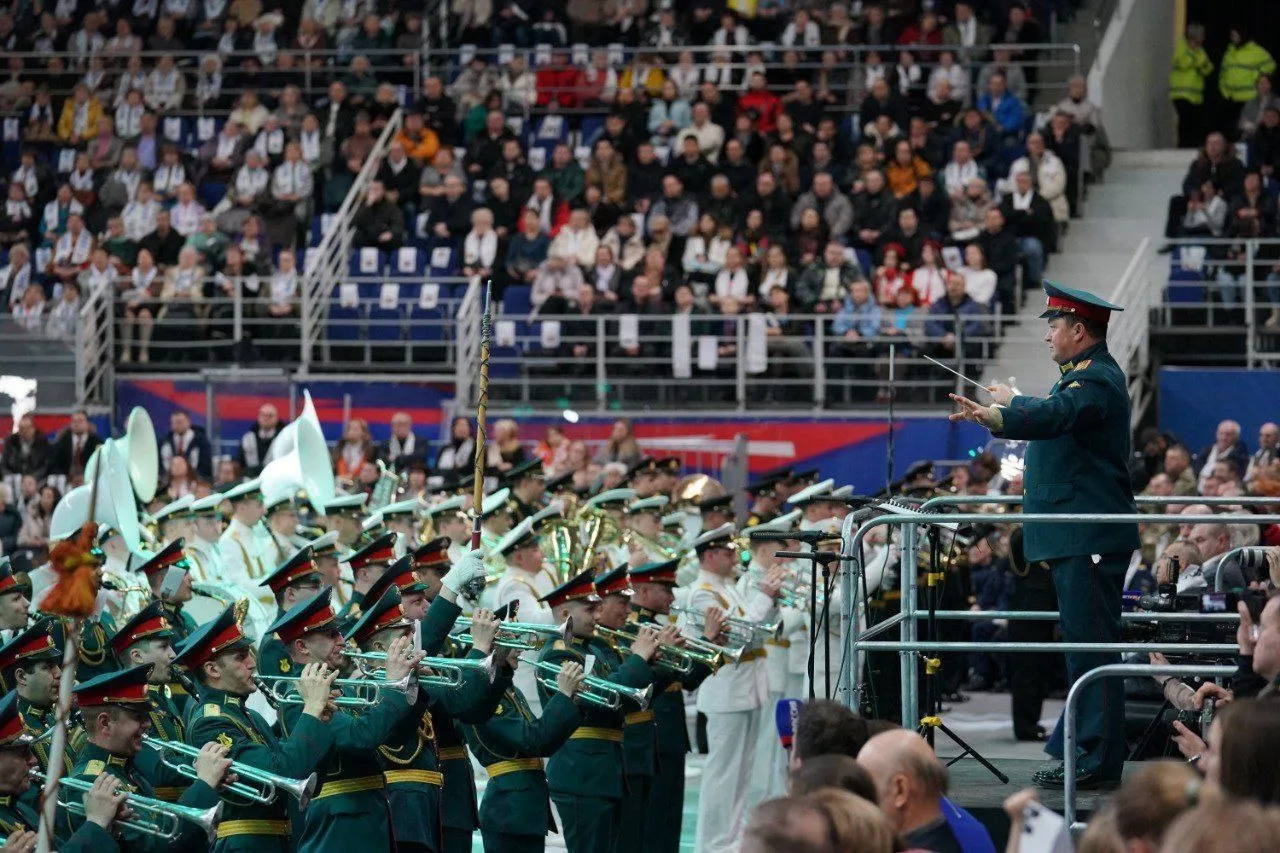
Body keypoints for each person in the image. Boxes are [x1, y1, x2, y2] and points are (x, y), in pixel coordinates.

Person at [948, 281, 1140, 790]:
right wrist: (1013, 403)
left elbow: (1058, 416)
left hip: (1087, 537)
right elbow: (1058, 411)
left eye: (1054, 325)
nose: (1048, 335)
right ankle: (1085, 750)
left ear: (1079, 330)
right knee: (1084, 647)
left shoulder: (1095, 380)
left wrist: (1003, 414)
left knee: (1092, 649)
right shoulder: (1083, 377)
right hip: (1076, 537)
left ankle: (1095, 760)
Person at [177, 604, 337, 853]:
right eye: (241, 656)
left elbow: (304, 773)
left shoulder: (248, 715)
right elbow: (281, 772)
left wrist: (320, 723)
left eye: (249, 653)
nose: (252, 662)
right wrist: (312, 709)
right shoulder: (210, 722)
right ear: (212, 669)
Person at [534, 569, 661, 853]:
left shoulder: (596, 650)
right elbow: (601, 696)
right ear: (565, 611)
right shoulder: (559, 653)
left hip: (605, 771)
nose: (597, 615)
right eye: (590, 609)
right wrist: (638, 658)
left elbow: (628, 698)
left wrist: (650, 664)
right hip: (582, 773)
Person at [686, 525, 783, 853]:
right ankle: (712, 844)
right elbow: (737, 635)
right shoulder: (702, 593)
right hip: (726, 689)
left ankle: (732, 838)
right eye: (728, 552)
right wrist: (764, 598)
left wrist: (772, 603)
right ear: (710, 556)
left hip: (748, 686)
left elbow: (757, 634)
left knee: (743, 773)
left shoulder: (728, 586)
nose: (736, 557)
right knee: (723, 776)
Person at [60, 664, 230, 850]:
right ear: (105, 722)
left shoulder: (127, 769)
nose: (148, 724)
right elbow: (158, 846)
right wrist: (204, 784)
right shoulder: (91, 782)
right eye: (138, 716)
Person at [629, 558, 721, 853]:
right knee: (654, 822)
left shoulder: (658, 628)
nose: (672, 597)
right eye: (664, 590)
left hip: (670, 735)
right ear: (643, 593)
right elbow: (674, 678)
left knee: (669, 819)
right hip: (652, 735)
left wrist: (712, 643)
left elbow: (689, 679)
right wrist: (707, 639)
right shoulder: (637, 631)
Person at [0, 690, 129, 853]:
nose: (33, 760)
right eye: (23, 753)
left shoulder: (20, 809)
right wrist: (96, 822)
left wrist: (107, 829)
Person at [1170, 24, 1214, 149]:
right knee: (1184, 121)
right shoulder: (1181, 46)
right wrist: (1196, 60)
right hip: (1181, 93)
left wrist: (1197, 61)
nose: (1204, 39)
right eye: (1202, 36)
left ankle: (1193, 146)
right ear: (1194, 36)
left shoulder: (1200, 50)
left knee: (1195, 123)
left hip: (1195, 95)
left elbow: (1208, 69)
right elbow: (1182, 63)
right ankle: (1183, 146)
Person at [236, 403, 283, 477]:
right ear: (258, 417)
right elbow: (240, 463)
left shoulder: (282, 439)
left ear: (276, 419)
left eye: (270, 416)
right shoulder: (247, 438)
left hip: (274, 479)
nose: (266, 418)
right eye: (263, 415)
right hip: (249, 481)